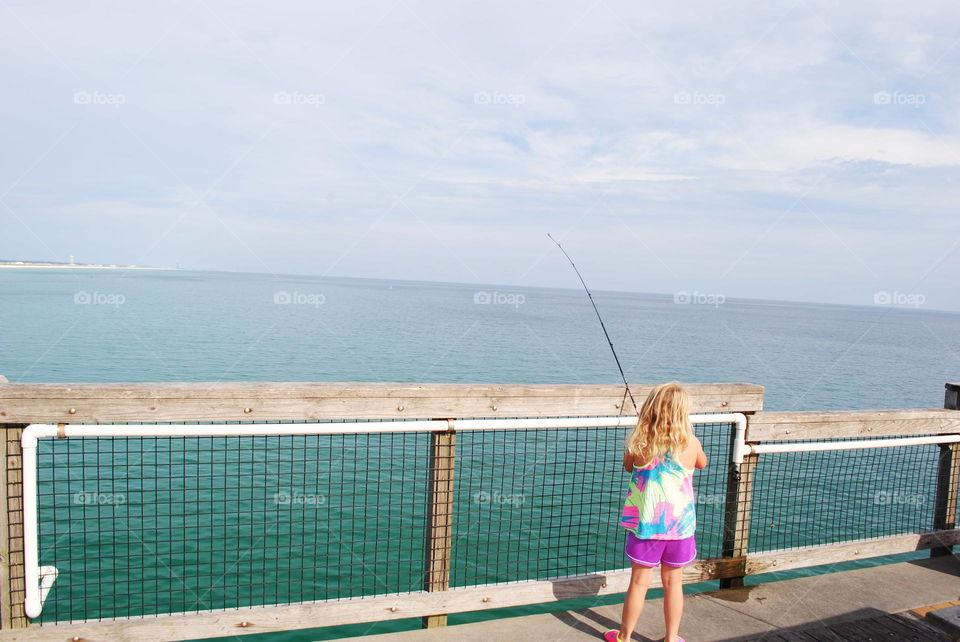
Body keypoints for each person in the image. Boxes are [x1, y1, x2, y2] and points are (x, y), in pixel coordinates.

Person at [604, 382, 707, 642]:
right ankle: (671, 638)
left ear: (650, 409)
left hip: (646, 529)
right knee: (674, 584)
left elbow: (629, 466)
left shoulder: (640, 443)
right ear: (683, 413)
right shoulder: (691, 442)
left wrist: (642, 432)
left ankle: (625, 636)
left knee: (639, 583)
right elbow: (702, 463)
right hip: (679, 530)